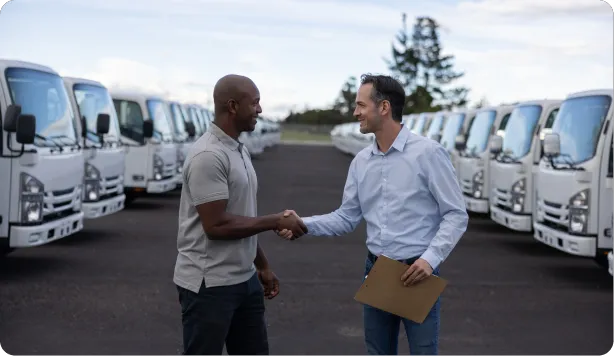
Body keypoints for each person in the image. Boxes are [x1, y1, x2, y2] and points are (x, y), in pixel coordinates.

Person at [276, 74, 468, 356]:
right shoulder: (361, 162)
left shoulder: (428, 154)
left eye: (361, 105)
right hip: (377, 271)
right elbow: (347, 217)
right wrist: (303, 224)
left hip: (418, 272)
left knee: (424, 352)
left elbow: (456, 214)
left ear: (384, 107)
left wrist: (429, 260)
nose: (355, 113)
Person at [173, 74, 308, 356]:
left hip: (244, 280)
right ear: (233, 106)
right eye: (255, 102)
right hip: (209, 285)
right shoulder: (209, 155)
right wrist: (274, 221)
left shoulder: (237, 150)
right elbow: (216, 225)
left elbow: (241, 218)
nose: (260, 109)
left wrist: (262, 265)